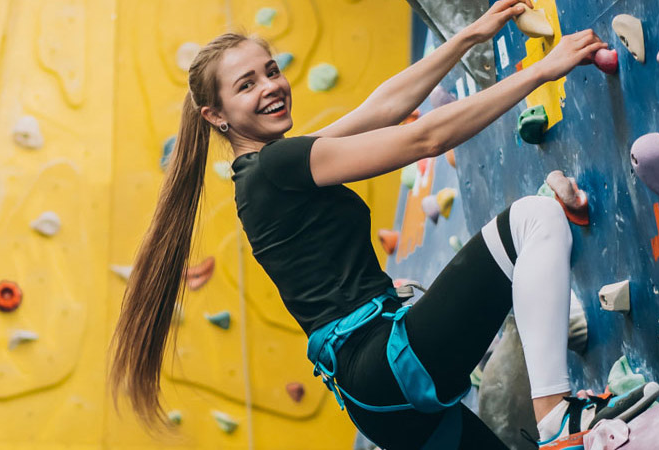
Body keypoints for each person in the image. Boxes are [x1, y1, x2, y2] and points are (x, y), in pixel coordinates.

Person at [108, 1, 615, 448]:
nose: (271, 87)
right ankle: (558, 421)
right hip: (386, 363)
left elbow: (382, 109)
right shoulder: (278, 165)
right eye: (247, 85)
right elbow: (425, 140)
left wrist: (467, 36)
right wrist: (541, 71)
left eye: (270, 70)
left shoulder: (262, 173)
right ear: (216, 115)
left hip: (374, 401)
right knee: (535, 218)